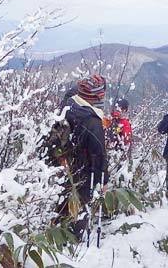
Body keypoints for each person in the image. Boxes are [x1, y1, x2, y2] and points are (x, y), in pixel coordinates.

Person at [54, 75, 109, 238]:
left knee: (63, 198)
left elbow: (70, 93)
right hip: (82, 169)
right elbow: (99, 154)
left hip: (63, 161)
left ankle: (57, 229)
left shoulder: (69, 103)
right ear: (97, 96)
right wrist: (104, 179)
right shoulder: (92, 121)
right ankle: (73, 236)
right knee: (80, 201)